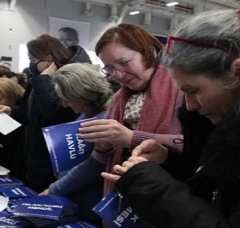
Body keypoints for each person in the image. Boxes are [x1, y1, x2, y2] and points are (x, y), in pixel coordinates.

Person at [103, 5, 240, 228]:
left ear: (239, 74)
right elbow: (217, 186)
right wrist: (168, 160)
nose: (189, 106)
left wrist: (151, 187)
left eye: (193, 91)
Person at [77, 23, 184, 198]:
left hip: (168, 195)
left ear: (148, 51)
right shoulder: (119, 97)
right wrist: (103, 147)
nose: (118, 75)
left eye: (123, 63)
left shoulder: (182, 89)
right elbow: (103, 159)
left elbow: (199, 147)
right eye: (110, 68)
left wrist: (131, 138)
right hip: (124, 193)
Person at [0, 34, 92, 191]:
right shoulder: (40, 77)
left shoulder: (70, 78)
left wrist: (43, 80)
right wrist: (12, 110)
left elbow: (53, 114)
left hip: (56, 152)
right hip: (35, 149)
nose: (32, 65)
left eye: (34, 60)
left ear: (48, 59)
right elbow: (31, 112)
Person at [39, 63, 112, 224]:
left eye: (66, 99)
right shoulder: (88, 114)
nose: (64, 105)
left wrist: (54, 189)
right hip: (76, 200)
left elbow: (89, 168)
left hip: (89, 208)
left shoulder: (102, 121)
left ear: (82, 93)